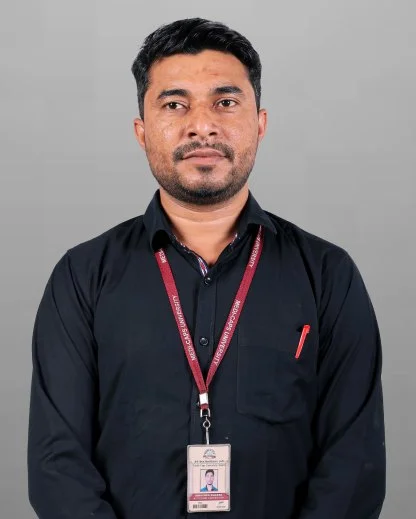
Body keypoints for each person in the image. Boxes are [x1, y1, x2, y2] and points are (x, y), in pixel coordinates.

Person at [27, 17, 386, 519]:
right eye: (175, 104)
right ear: (142, 131)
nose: (202, 125)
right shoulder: (82, 277)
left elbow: (354, 465)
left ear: (260, 123)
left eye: (225, 102)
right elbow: (57, 466)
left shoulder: (328, 276)